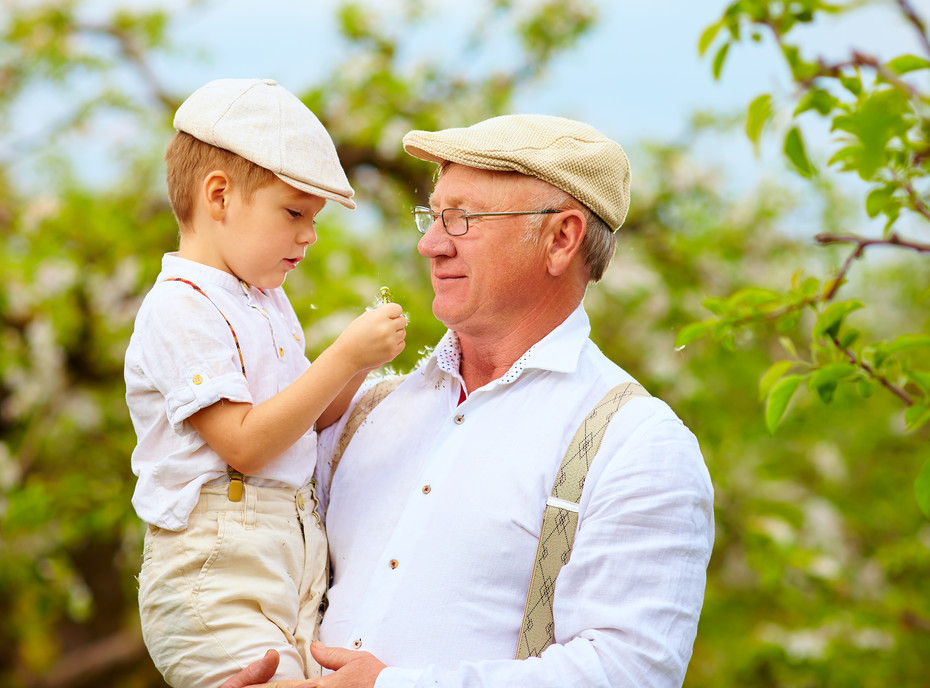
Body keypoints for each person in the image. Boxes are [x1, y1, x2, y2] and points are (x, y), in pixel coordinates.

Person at [225, 113, 713, 688]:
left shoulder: (638, 444)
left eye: (461, 220)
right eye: (433, 216)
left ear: (562, 238)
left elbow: (629, 674)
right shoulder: (366, 409)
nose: (429, 244)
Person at [124, 77, 407, 687]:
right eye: (294, 213)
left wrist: (362, 365)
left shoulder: (265, 303)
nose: (309, 236)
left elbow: (309, 418)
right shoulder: (182, 306)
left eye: (315, 219)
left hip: (285, 562)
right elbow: (246, 444)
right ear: (219, 196)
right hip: (217, 573)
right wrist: (343, 354)